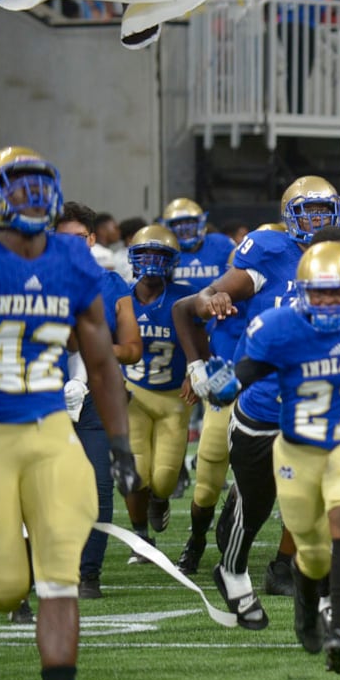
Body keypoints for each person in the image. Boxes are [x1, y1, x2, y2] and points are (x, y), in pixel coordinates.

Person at [0, 146, 142, 680]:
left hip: (51, 428)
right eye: (16, 186)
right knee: (2, 588)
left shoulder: (75, 261)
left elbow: (101, 360)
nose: (29, 197)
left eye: (37, 186)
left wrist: (122, 445)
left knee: (59, 580)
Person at [206, 240, 340, 672]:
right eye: (321, 292)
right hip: (287, 438)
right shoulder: (277, 325)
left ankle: (337, 620)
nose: (331, 301)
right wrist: (222, 380)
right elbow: (246, 372)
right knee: (301, 540)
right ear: (302, 291)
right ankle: (297, 593)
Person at [173, 176, 340, 624]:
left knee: (321, 499)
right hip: (255, 393)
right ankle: (226, 561)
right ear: (291, 216)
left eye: (327, 212)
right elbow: (197, 302)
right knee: (247, 494)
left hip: (315, 399)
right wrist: (214, 303)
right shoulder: (269, 251)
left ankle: (308, 589)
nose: (319, 221)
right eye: (310, 212)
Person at [55, 203, 141, 600]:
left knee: (98, 485)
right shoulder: (31, 279)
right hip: (41, 393)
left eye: (77, 238)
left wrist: (97, 349)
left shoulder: (110, 285)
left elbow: (132, 348)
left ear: (91, 239)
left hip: (94, 395)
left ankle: (88, 574)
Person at [120, 225, 197, 557]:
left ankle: (160, 498)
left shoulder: (186, 295)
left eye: (159, 256)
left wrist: (197, 370)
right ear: (134, 259)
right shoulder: (120, 299)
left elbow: (209, 338)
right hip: (132, 393)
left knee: (164, 480)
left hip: (174, 398)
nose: (151, 262)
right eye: (145, 255)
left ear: (172, 261)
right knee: (135, 473)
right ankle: (140, 536)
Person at [273, 0, 322, 114]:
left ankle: (292, 108)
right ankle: (298, 109)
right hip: (303, 28)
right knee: (303, 70)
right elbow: (318, 3)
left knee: (292, 70)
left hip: (284, 27)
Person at [160, 198, 236, 294]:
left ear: (201, 222)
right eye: (178, 223)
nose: (184, 229)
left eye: (189, 222)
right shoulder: (164, 252)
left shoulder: (222, 244)